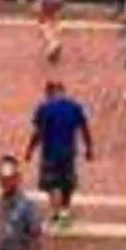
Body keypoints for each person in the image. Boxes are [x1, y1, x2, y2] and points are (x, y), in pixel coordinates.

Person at [26, 80, 92, 228]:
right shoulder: (74, 107)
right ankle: (65, 211)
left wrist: (30, 149)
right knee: (67, 181)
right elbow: (84, 128)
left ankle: (54, 210)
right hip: (68, 151)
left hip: (50, 151)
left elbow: (38, 132)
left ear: (49, 92)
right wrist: (89, 148)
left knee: (50, 181)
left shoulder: (44, 108)